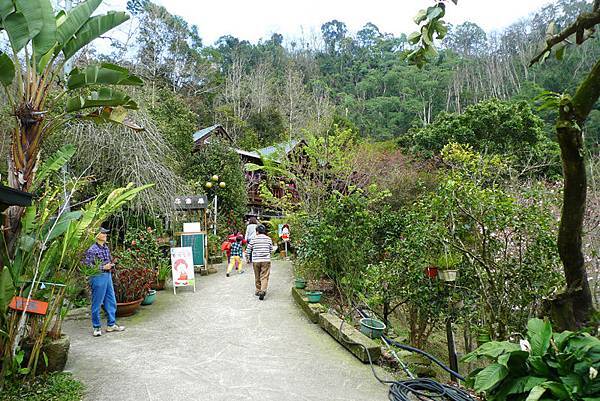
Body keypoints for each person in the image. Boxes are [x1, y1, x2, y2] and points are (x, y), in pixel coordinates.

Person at [83, 227, 125, 337]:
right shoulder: (92, 250)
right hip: (98, 277)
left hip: (108, 276)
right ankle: (96, 327)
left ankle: (111, 324)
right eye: (103, 233)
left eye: (105, 233)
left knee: (111, 300)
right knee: (97, 303)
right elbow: (87, 266)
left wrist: (111, 264)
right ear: (97, 235)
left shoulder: (106, 247)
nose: (105, 235)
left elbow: (108, 260)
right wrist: (103, 267)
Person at [246, 224, 276, 300]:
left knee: (257, 275)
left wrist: (248, 258)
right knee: (264, 276)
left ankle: (258, 290)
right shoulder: (268, 239)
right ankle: (263, 290)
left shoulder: (253, 239)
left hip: (256, 260)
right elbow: (271, 250)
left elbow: (248, 249)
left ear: (257, 232)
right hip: (266, 260)